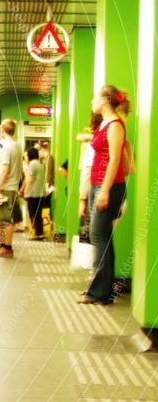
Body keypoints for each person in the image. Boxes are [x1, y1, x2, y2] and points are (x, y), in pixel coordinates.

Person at [78, 85, 130, 304]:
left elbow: (115, 160)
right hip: (99, 184)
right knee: (102, 237)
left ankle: (99, 292)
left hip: (109, 186)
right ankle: (102, 290)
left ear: (106, 100)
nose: (92, 101)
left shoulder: (116, 126)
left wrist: (105, 191)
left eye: (95, 98)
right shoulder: (105, 125)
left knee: (98, 236)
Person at [0, 119, 23, 258]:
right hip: (13, 186)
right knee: (5, 219)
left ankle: (6, 248)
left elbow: (4, 170)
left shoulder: (6, 148)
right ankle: (4, 246)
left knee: (4, 220)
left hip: (6, 187)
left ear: (2, 131)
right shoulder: (18, 146)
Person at [20, 147, 46, 240]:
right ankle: (40, 234)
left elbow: (30, 179)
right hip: (41, 194)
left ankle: (37, 234)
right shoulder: (40, 164)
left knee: (33, 214)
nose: (26, 157)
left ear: (30, 155)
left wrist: (25, 191)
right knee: (38, 214)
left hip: (33, 193)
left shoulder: (32, 164)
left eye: (26, 155)